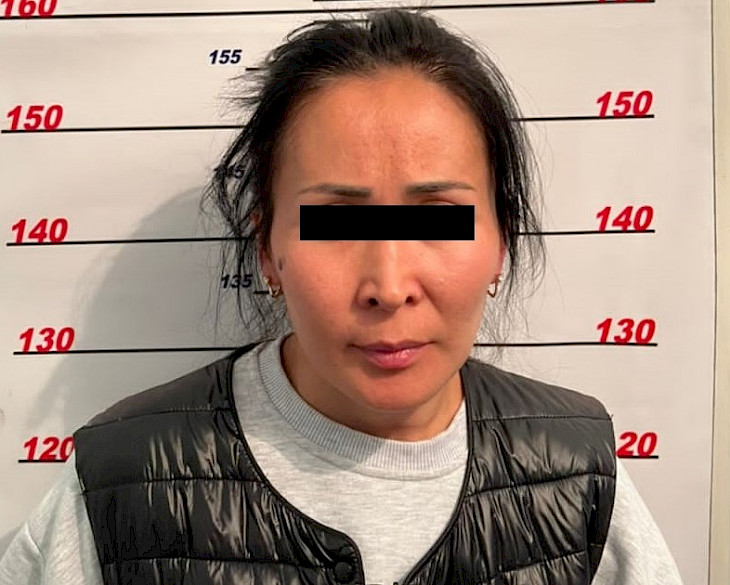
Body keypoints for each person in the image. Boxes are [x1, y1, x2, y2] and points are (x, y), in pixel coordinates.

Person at [0, 8, 684, 585]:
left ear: (500, 242)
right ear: (266, 247)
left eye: (438, 219)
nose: (388, 287)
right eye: (335, 223)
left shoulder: (583, 479)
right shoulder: (118, 488)